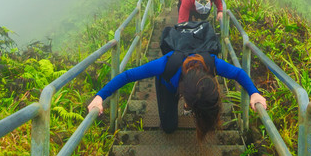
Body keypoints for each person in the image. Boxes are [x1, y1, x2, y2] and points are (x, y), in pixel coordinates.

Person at [87, 50, 267, 140]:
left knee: (207, 112)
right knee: (169, 127)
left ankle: (201, 113)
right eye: (187, 104)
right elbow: (128, 75)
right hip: (167, 86)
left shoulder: (210, 63)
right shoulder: (166, 65)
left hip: (195, 90)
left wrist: (254, 93)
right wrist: (100, 96)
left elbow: (238, 73)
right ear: (182, 93)